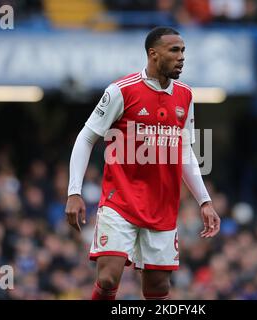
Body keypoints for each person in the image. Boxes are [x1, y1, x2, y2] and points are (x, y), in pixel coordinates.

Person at [65, 26, 220, 300]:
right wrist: (74, 191)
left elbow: (184, 151)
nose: (181, 57)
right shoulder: (121, 91)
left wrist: (205, 201)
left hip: (162, 206)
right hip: (120, 201)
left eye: (183, 50)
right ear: (153, 54)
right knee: (108, 276)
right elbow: (86, 137)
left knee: (158, 287)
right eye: (174, 50)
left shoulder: (185, 95)